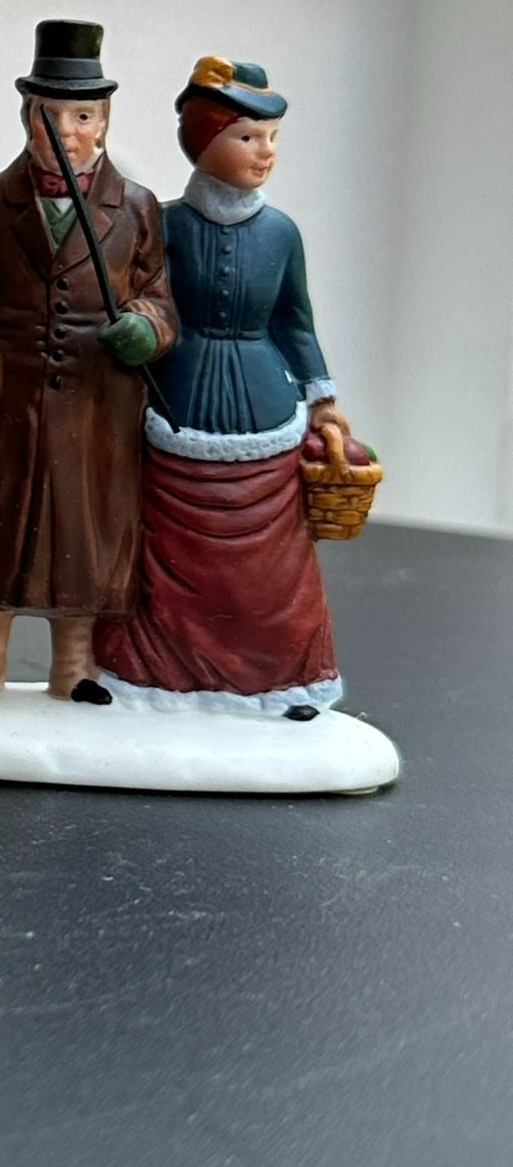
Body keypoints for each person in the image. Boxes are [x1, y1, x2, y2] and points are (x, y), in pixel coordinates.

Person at [0, 20, 178, 703]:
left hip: (95, 407)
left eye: (82, 116)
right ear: (27, 117)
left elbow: (159, 299)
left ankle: (76, 666)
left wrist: (146, 329)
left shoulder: (136, 209)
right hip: (5, 403)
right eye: (50, 115)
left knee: (83, 537)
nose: (67, 131)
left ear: (104, 121)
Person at [92, 59, 347, 717]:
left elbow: (296, 323)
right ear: (203, 140)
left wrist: (323, 402)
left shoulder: (281, 234)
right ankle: (151, 678)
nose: (266, 152)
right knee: (164, 558)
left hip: (265, 411)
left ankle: (282, 679)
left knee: (272, 568)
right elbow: (138, 304)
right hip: (174, 405)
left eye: (272, 138)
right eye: (247, 137)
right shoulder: (162, 224)